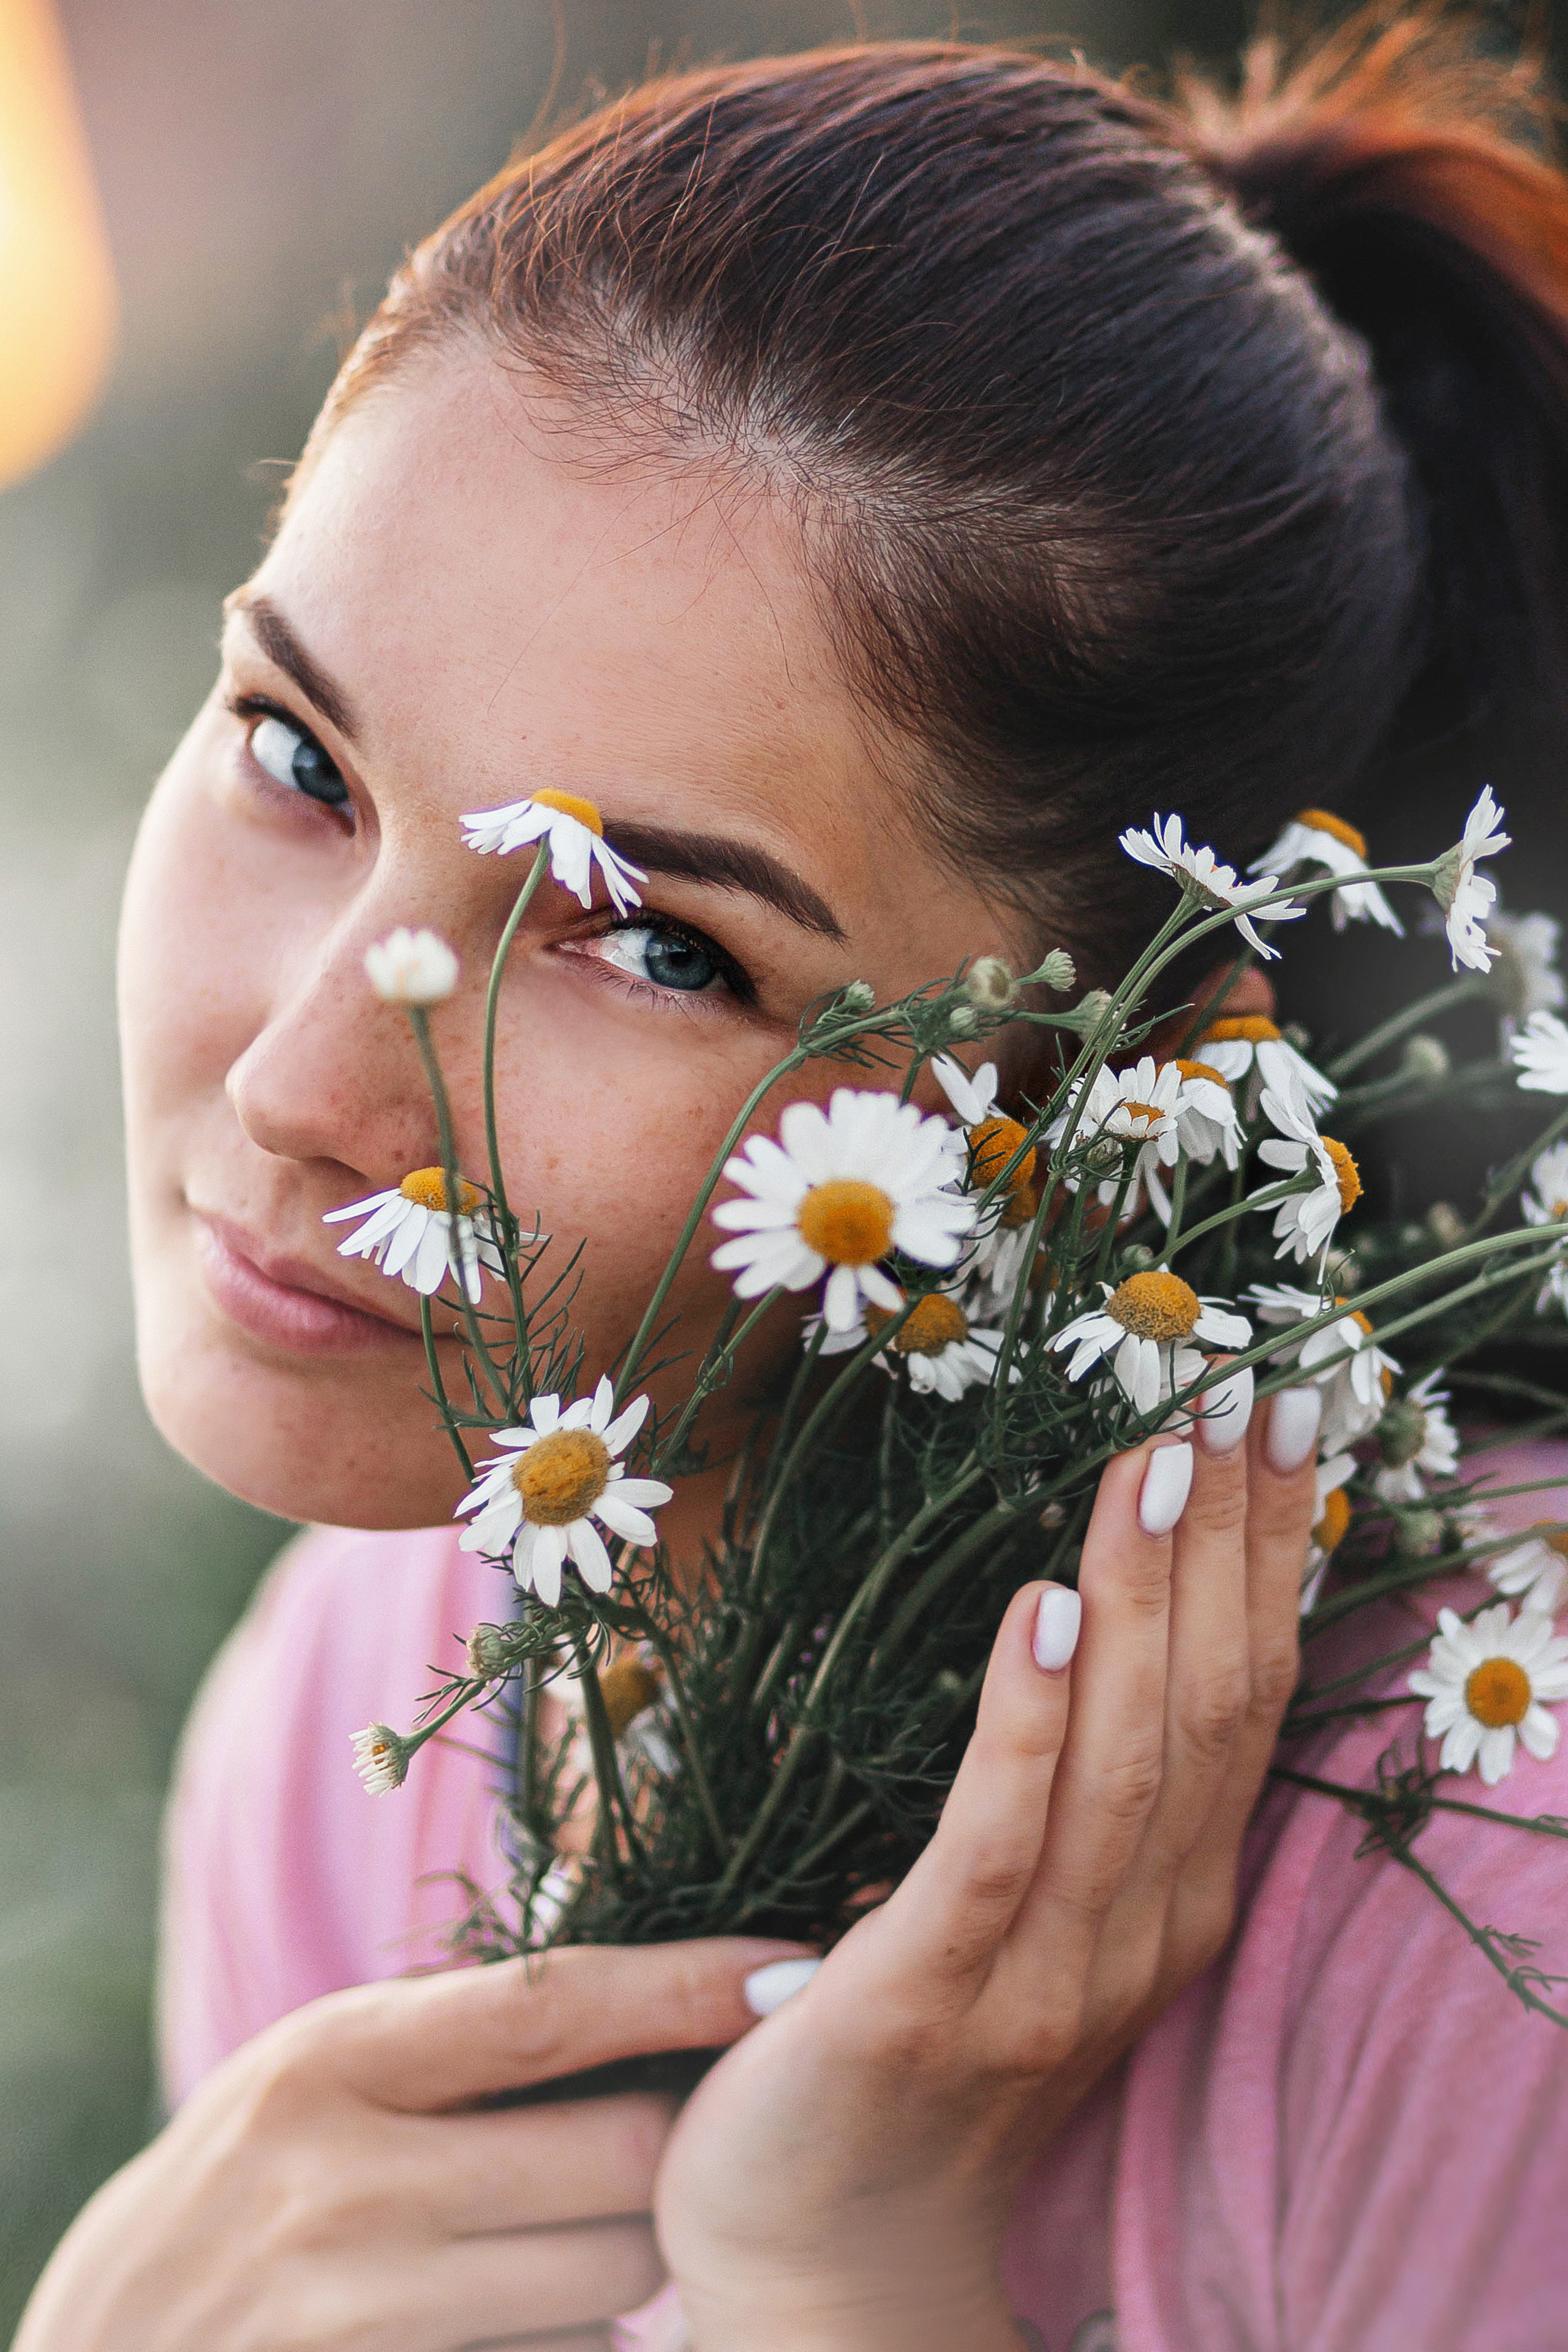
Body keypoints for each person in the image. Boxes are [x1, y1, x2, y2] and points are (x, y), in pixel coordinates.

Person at [17, 18, 1568, 2350]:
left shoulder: (1489, 1882)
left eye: (657, 944)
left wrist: (847, 2286)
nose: (304, 1082)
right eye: (297, 755)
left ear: (1117, 1090)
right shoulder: (367, 1698)